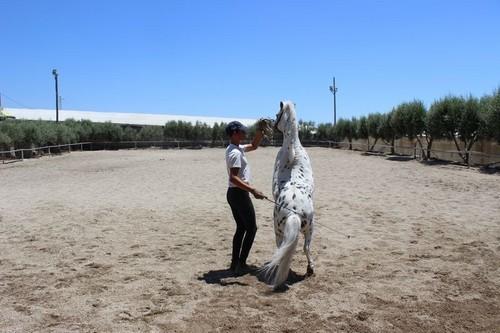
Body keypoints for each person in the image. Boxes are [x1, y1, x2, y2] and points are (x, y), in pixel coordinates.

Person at [225, 120, 266, 274]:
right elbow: (233, 178)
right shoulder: (235, 153)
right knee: (252, 228)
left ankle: (235, 263)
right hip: (239, 194)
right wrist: (253, 190)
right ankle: (241, 264)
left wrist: (260, 131)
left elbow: (254, 145)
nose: (244, 133)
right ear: (235, 133)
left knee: (242, 228)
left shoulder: (236, 148)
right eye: (242, 131)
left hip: (233, 194)